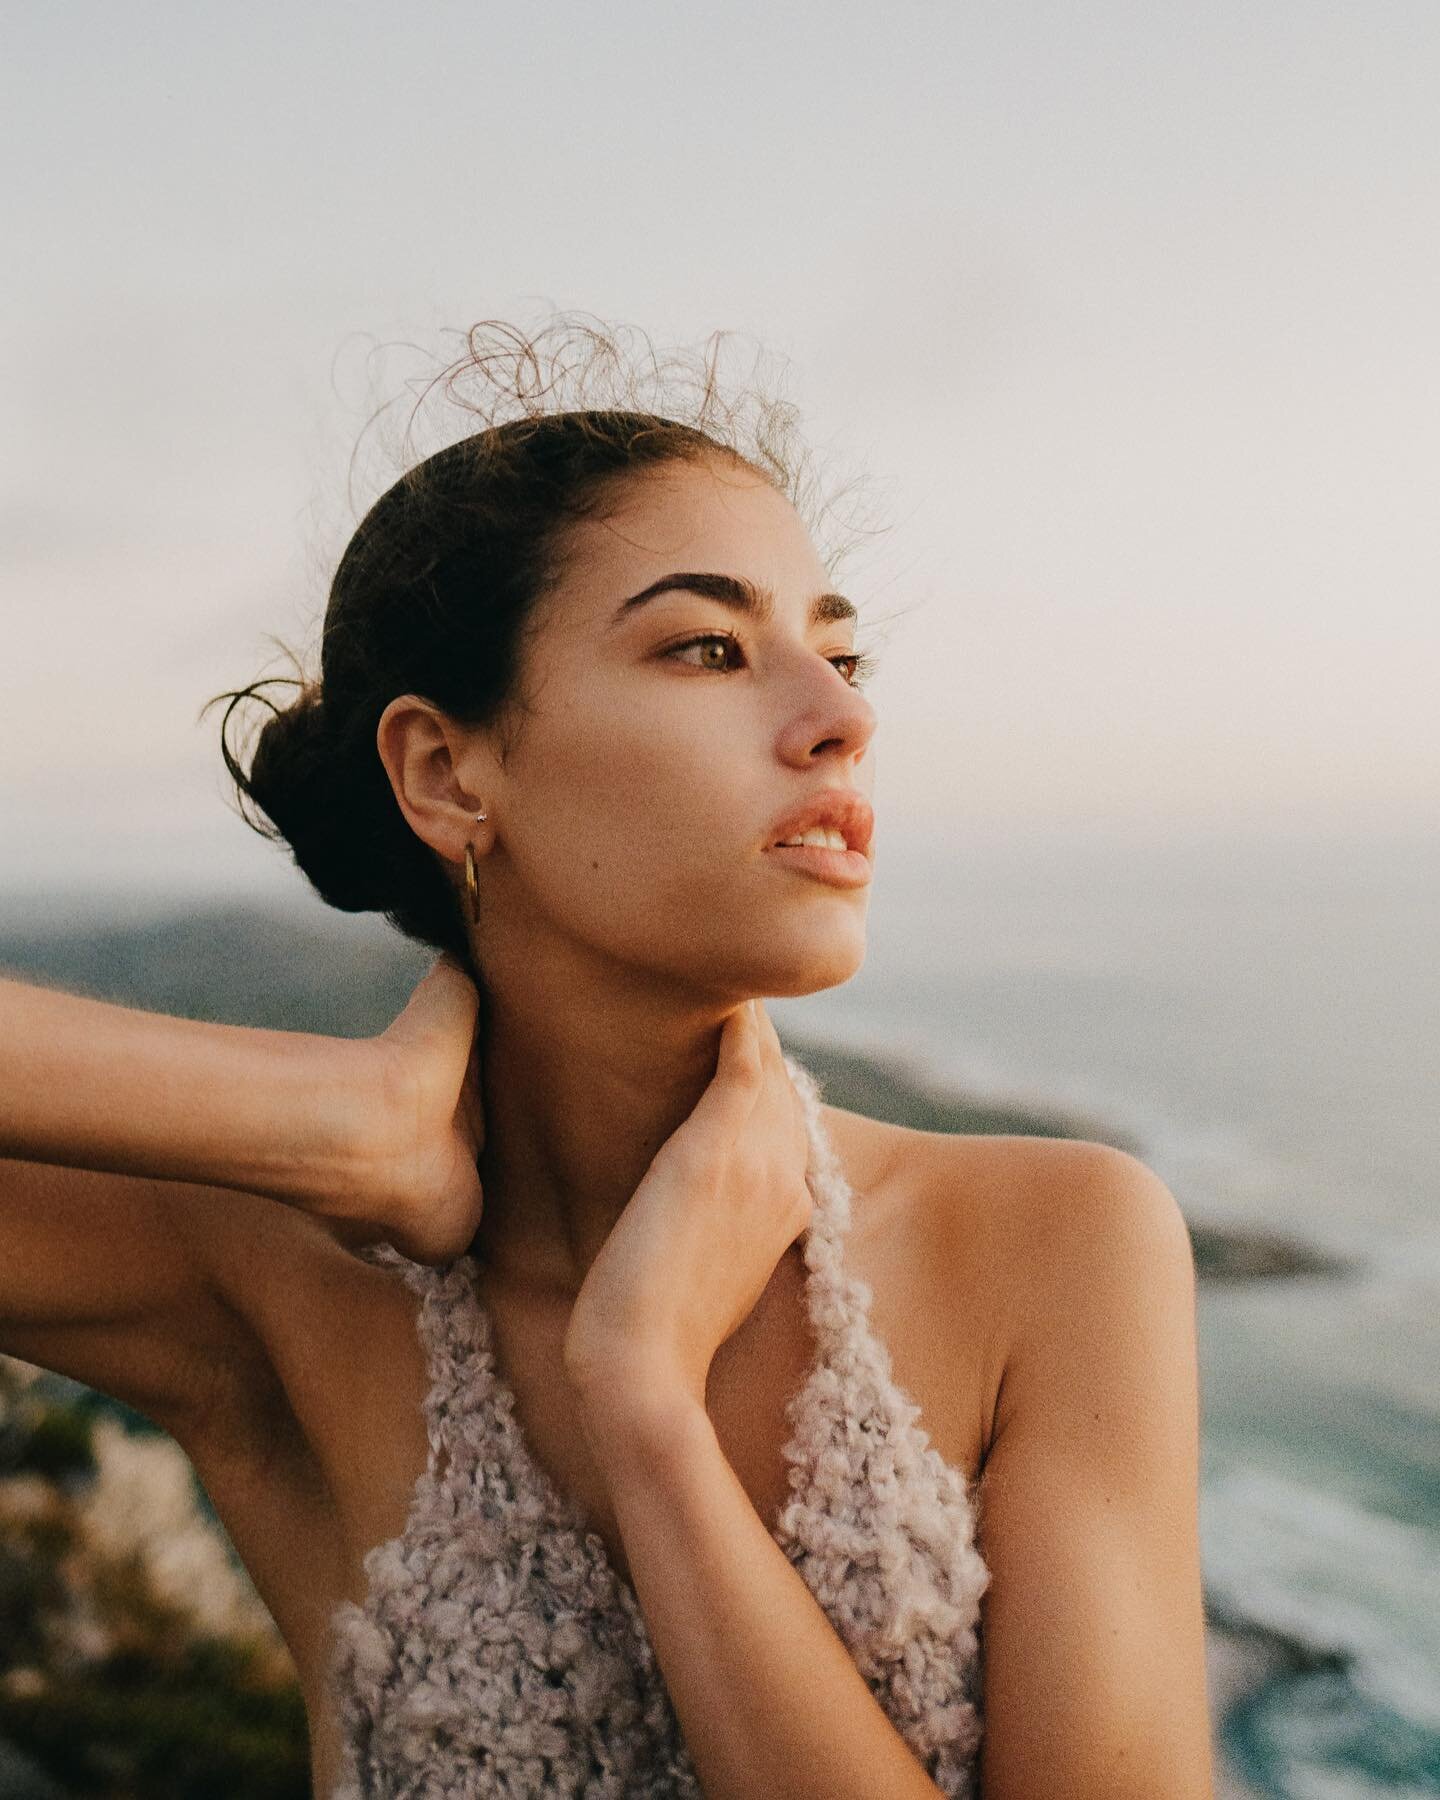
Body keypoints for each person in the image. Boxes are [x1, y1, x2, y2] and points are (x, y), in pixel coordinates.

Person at [0, 321, 1216, 1797]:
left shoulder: (1056, 1241)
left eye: (837, 651)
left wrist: (644, 1402)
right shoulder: (277, 1275)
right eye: (709, 647)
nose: (843, 718)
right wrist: (337, 1120)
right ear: (448, 771)